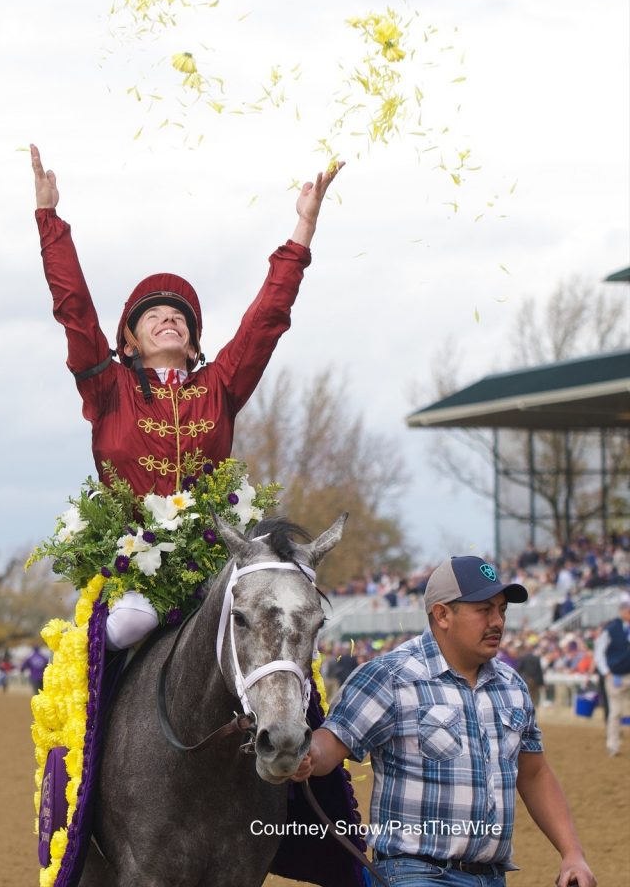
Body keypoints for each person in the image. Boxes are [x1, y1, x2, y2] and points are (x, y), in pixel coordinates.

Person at [30, 143, 343, 649]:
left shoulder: (220, 385)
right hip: (139, 567)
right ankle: (89, 726)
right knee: (128, 625)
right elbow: (73, 308)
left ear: (194, 343)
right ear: (128, 340)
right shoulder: (108, 387)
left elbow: (267, 319)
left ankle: (307, 725)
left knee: (282, 617)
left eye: (180, 317)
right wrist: (49, 219)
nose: (168, 318)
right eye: (152, 315)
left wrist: (303, 228)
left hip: (219, 558)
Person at [292, 555, 596, 887]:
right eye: (484, 610)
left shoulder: (512, 685)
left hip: (492, 877)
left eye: (502, 610)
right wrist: (306, 754)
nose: (497, 621)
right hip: (414, 873)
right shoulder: (389, 677)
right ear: (442, 614)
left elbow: (535, 773)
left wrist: (572, 854)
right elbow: (330, 743)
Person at [601, 592, 630, 757]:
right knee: (616, 712)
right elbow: (599, 652)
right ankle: (613, 745)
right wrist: (607, 673)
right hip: (615, 676)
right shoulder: (611, 629)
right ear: (623, 611)